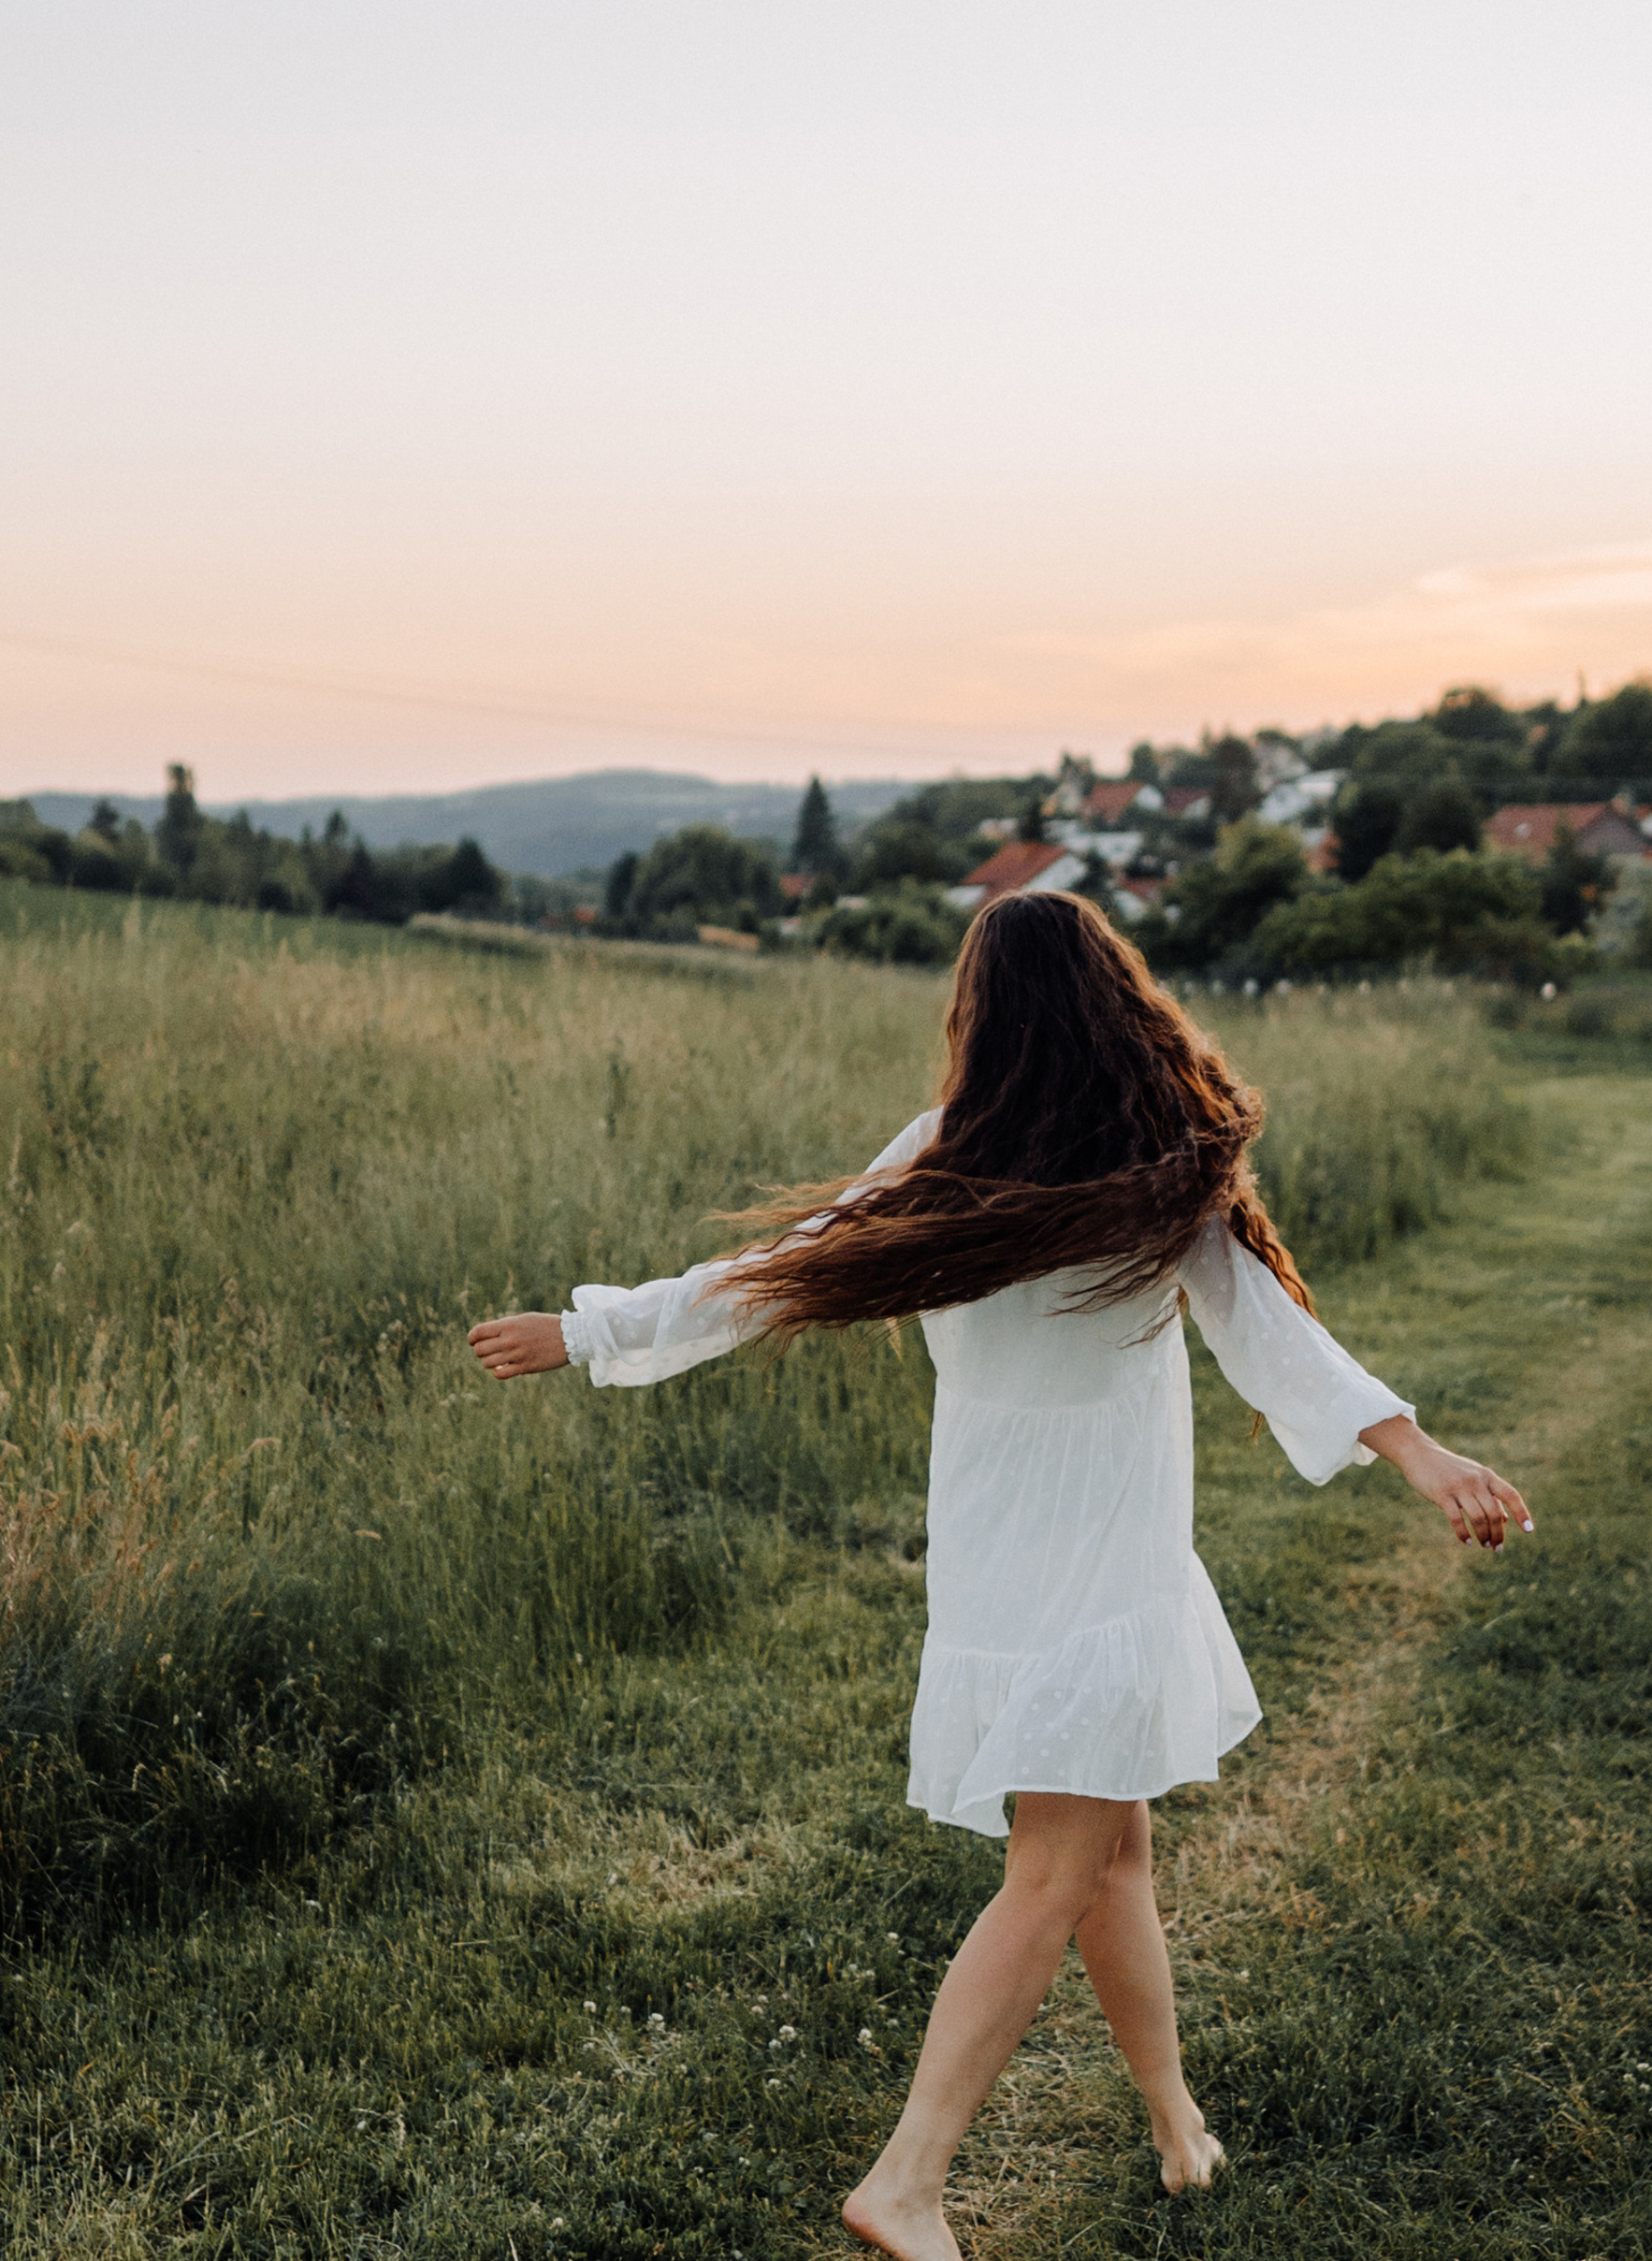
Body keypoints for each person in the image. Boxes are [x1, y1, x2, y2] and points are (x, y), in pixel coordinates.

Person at [468, 890, 1531, 2261]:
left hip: (1000, 1559)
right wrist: (1418, 1451)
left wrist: (586, 1327)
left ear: (981, 1013)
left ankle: (1175, 2125)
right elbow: (1269, 1336)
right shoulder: (1152, 1154)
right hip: (1096, 1559)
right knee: (1057, 1870)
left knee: (1112, 1855)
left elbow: (773, 1271)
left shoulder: (952, 1154)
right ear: (1116, 999)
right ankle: (907, 2182)